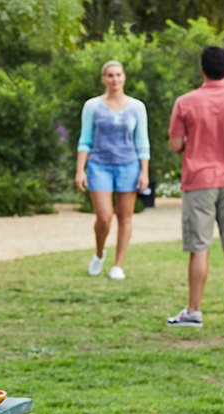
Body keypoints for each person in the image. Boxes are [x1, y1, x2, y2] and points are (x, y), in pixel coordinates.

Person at [166, 46, 224, 327]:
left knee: (199, 248)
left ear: (202, 70)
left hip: (199, 182)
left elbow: (174, 145)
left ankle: (194, 311)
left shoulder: (185, 102)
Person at [74, 60, 151, 280]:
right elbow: (84, 140)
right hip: (99, 165)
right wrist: (81, 170)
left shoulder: (137, 107)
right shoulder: (92, 106)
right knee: (104, 217)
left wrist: (144, 171)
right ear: (103, 79)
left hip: (128, 165)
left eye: (118, 75)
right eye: (110, 75)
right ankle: (99, 253)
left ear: (124, 77)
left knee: (125, 217)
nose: (114, 79)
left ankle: (118, 265)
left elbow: (142, 142)